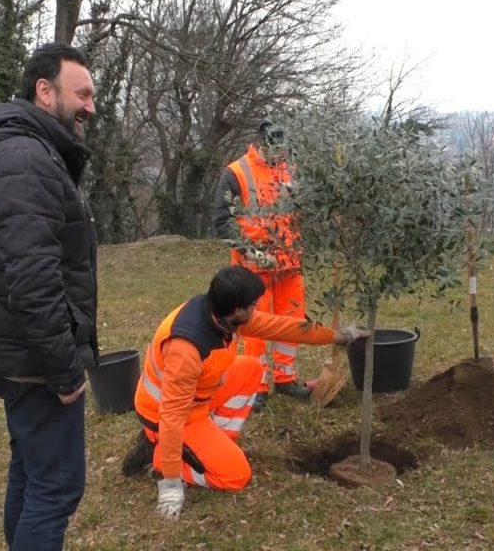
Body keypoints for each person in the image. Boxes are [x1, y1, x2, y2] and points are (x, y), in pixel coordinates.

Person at [0, 42, 97, 550]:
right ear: (44, 90)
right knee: (57, 486)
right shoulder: (24, 160)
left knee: (34, 473)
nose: (90, 106)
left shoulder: (23, 152)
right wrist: (64, 370)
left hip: (16, 351)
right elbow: (33, 280)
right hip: (34, 359)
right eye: (81, 93)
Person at [120, 266, 369, 518]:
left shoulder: (220, 313)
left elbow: (281, 327)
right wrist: (171, 486)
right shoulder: (186, 349)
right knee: (236, 475)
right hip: (171, 417)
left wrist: (338, 336)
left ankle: (216, 441)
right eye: (254, 304)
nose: (257, 308)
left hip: (198, 397)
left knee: (250, 368)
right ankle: (164, 459)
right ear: (238, 309)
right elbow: (171, 418)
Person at [212, 120, 308, 409]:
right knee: (255, 326)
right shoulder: (236, 173)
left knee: (291, 320)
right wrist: (250, 250)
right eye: (275, 150)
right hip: (253, 267)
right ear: (262, 144)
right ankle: (258, 385)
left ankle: (286, 378)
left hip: (290, 263)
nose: (280, 156)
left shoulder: (292, 170)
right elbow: (222, 220)